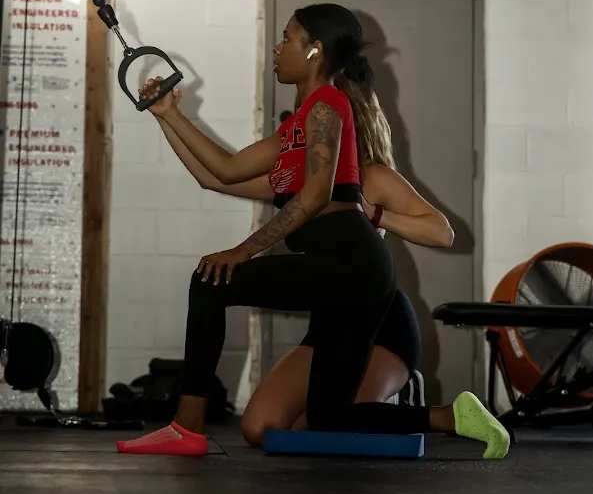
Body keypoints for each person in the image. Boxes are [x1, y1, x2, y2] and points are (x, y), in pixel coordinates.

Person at [117, 3, 510, 460]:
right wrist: (167, 115)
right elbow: (221, 172)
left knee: (210, 281)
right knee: (329, 417)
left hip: (350, 263)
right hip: (348, 275)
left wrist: (242, 251)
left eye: (287, 38)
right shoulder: (294, 132)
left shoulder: (327, 103)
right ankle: (452, 416)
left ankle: (187, 427)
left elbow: (317, 195)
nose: (277, 47)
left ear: (314, 50)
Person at [144, 76, 454, 446]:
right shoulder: (300, 178)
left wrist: (375, 214)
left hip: (379, 321)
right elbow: (215, 178)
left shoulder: (371, 176)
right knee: (260, 428)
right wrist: (166, 116)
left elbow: (442, 232)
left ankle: (407, 398)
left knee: (326, 426)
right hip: (331, 319)